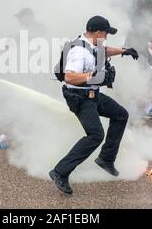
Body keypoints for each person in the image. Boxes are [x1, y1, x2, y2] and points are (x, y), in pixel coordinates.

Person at [49, 15, 138, 195]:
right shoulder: (78, 51)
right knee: (95, 135)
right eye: (105, 33)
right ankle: (60, 172)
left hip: (92, 94)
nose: (106, 37)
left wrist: (124, 51)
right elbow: (69, 76)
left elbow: (103, 50)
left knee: (121, 115)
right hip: (80, 97)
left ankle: (106, 159)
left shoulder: (91, 44)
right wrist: (94, 76)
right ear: (97, 32)